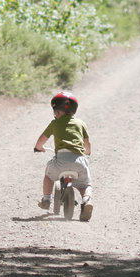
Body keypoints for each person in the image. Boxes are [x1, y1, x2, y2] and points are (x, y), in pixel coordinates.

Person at [33, 91, 94, 221]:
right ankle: (86, 201)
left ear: (58, 112)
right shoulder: (80, 123)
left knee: (48, 175)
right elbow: (87, 143)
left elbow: (41, 140)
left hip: (61, 160)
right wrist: (87, 152)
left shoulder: (54, 123)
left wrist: (39, 147)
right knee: (85, 185)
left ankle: (46, 199)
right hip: (79, 160)